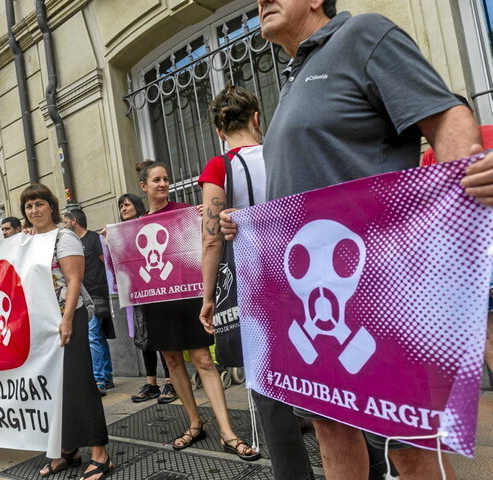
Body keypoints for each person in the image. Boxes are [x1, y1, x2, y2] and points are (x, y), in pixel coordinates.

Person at [219, 1, 493, 478]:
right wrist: (252, 222)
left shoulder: (364, 35)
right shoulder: (293, 76)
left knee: (405, 443)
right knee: (330, 427)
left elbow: (446, 116)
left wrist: (457, 198)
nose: (261, 0)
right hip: (305, 298)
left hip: (383, 289)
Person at [198, 85, 313, 479]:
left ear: (219, 130)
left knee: (269, 387)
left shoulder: (219, 167)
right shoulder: (282, 152)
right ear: (257, 119)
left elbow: (212, 237)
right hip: (305, 280)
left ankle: (293, 473)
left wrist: (208, 296)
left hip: (255, 288)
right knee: (323, 371)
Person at [133, 160, 259, 460]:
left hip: (189, 295)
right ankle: (195, 423)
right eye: (156, 180)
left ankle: (227, 432)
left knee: (203, 359)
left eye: (166, 179)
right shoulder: (134, 227)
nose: (163, 184)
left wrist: (204, 218)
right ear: (144, 186)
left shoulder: (189, 211)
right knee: (173, 362)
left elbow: (208, 241)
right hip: (157, 300)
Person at [20, 183, 111, 480]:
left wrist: (68, 319)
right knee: (55, 388)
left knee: (80, 383)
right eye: (28, 206)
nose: (34, 210)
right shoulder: (30, 240)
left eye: (39, 204)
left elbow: (74, 280)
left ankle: (100, 454)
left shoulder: (65, 236)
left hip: (68, 317)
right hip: (44, 323)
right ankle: (67, 449)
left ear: (51, 206)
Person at [114, 194, 177, 404]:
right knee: (144, 339)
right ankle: (152, 384)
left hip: (159, 292)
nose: (123, 208)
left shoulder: (149, 227)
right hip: (138, 294)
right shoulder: (121, 233)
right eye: (121, 205)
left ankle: (171, 381)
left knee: (161, 338)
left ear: (137, 206)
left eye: (127, 204)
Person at [63, 208, 115, 396]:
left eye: (66, 221)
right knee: (98, 336)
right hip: (84, 295)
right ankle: (107, 377)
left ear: (74, 221)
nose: (64, 224)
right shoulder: (73, 243)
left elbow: (107, 263)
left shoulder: (93, 239)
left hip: (97, 293)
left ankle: (99, 380)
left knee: (93, 336)